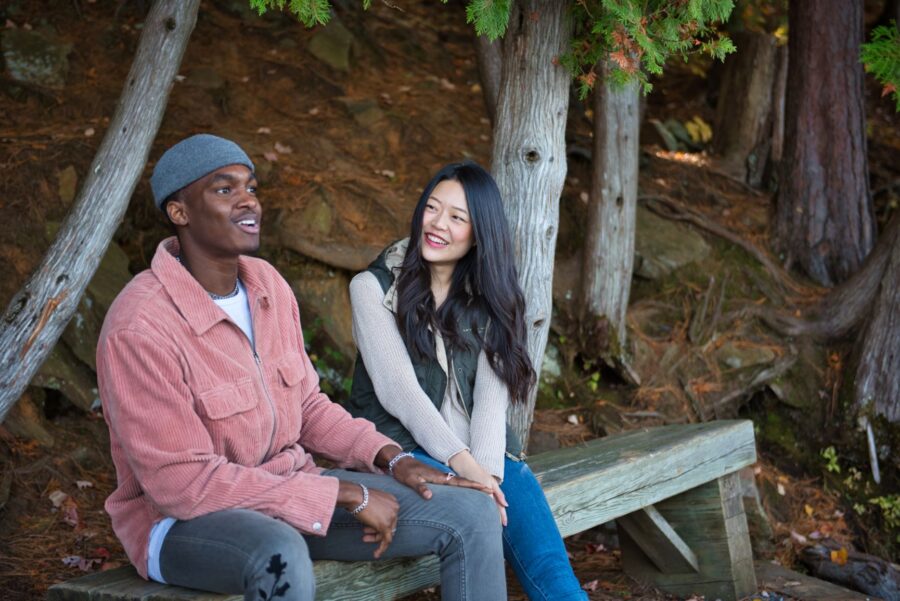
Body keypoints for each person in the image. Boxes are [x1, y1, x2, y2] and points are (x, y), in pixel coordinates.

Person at [96, 135, 508, 601]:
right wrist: (344, 495)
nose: (248, 200)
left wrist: (394, 459)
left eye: (251, 187)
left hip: (294, 491)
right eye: (224, 190)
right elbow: (182, 484)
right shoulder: (140, 326)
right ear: (180, 213)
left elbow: (308, 406)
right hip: (181, 525)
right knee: (279, 551)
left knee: (471, 514)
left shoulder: (266, 285)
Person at [346, 161, 588, 601]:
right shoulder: (372, 287)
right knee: (480, 513)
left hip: (483, 457)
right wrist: (468, 470)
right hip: (407, 452)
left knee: (552, 570)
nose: (438, 225)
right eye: (432, 209)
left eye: (457, 217)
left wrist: (489, 474)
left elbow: (493, 402)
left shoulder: (488, 297)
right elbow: (400, 392)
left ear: (479, 234)